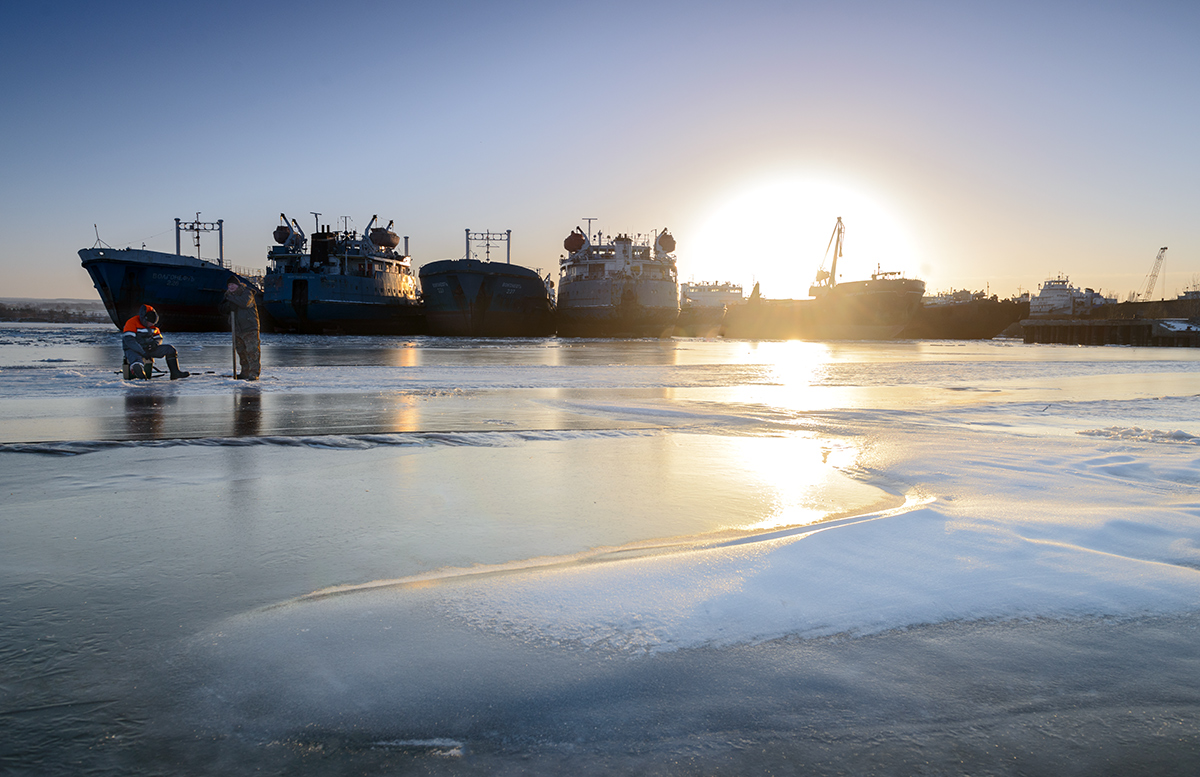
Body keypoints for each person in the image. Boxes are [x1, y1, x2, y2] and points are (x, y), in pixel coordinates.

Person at [122, 304, 189, 380]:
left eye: (153, 323)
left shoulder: (154, 327)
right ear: (144, 319)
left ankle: (175, 373)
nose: (152, 325)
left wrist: (155, 344)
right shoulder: (132, 323)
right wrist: (142, 352)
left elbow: (158, 338)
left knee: (170, 349)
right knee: (136, 359)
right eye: (150, 323)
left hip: (149, 349)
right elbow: (129, 341)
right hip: (133, 349)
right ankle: (139, 371)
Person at [221, 275, 261, 380]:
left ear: (238, 285)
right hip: (237, 329)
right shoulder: (228, 295)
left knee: (252, 351)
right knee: (241, 352)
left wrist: (231, 299)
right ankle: (245, 372)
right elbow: (221, 308)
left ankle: (254, 373)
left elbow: (244, 303)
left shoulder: (247, 293)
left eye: (233, 284)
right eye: (229, 285)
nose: (231, 287)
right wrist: (227, 306)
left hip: (249, 327)